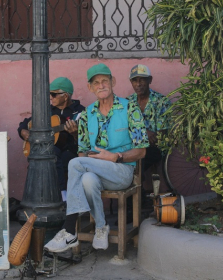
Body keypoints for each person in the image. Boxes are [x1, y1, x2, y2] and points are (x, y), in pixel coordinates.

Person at [44, 63, 149, 252]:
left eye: (104, 81)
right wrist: (90, 161)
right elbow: (83, 151)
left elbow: (142, 151)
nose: (101, 85)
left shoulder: (129, 108)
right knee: (87, 179)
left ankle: (69, 231)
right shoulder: (86, 115)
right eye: (96, 83)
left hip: (122, 172)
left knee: (75, 164)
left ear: (112, 82)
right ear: (90, 88)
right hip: (96, 173)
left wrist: (116, 156)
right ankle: (101, 227)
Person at [17, 77, 85, 197]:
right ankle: (37, 198)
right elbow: (25, 123)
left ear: (66, 96)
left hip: (71, 151)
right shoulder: (47, 110)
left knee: (61, 157)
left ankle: (63, 195)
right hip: (52, 151)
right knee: (46, 154)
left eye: (54, 94)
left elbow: (85, 140)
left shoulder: (80, 112)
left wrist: (75, 134)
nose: (50, 97)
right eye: (50, 94)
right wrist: (23, 131)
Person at [126, 64, 171, 207]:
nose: (138, 84)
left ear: (150, 80)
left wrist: (142, 138)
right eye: (135, 80)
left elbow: (162, 134)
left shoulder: (161, 101)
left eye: (142, 80)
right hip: (134, 147)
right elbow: (124, 129)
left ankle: (135, 206)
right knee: (126, 161)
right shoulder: (128, 103)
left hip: (155, 148)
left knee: (137, 161)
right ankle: (134, 203)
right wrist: (145, 133)